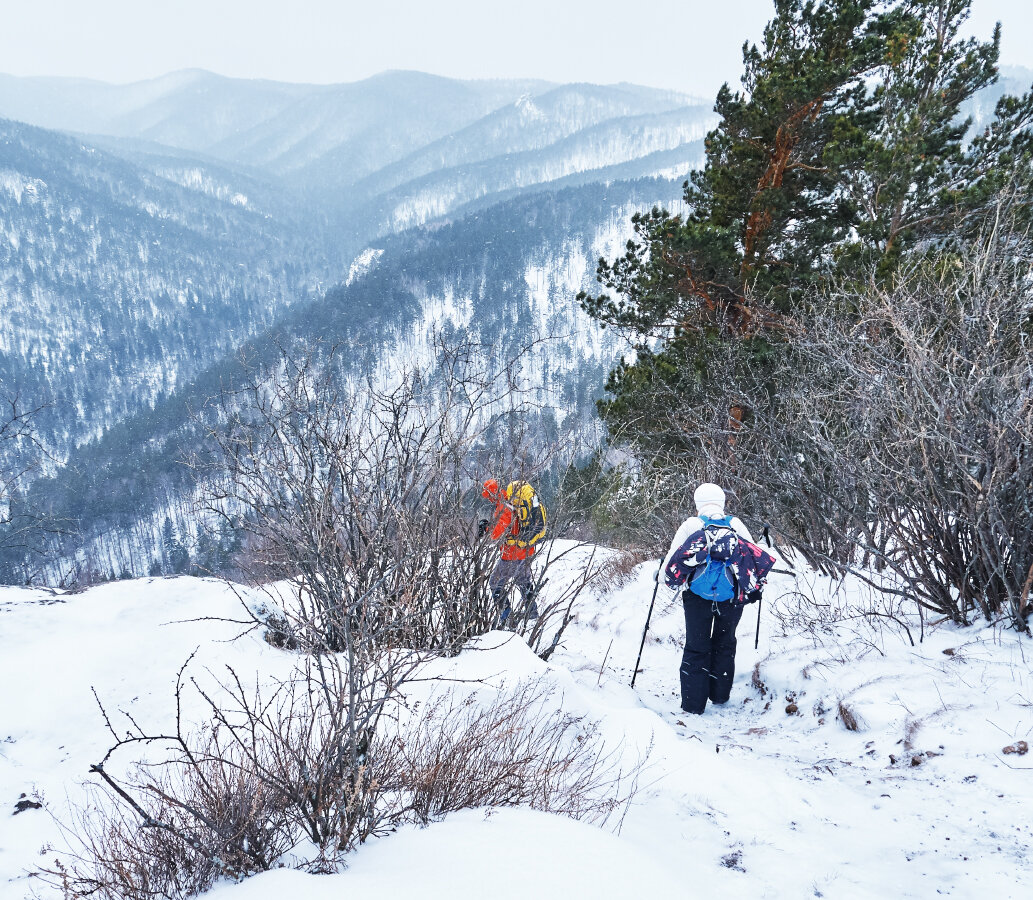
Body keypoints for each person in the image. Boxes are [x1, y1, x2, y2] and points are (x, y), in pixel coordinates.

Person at [661, 483, 774, 715]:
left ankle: (693, 705)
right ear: (722, 502)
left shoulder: (691, 525)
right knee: (725, 643)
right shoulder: (735, 524)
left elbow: (671, 564)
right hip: (731, 596)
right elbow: (752, 558)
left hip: (696, 596)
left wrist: (660, 575)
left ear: (697, 503)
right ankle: (720, 696)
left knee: (696, 646)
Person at [480, 478, 547, 623]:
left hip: (512, 554)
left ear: (492, 493)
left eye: (488, 496)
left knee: (495, 583)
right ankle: (533, 612)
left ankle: (506, 616)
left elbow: (496, 534)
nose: (489, 500)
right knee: (523, 580)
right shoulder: (512, 502)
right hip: (526, 551)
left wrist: (486, 528)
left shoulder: (504, 508)